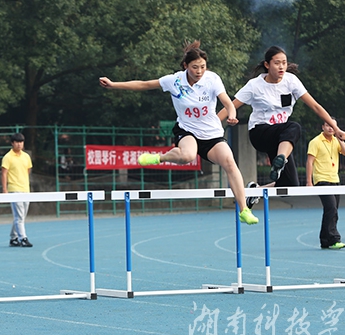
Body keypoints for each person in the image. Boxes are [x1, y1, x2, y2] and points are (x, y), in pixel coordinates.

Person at [99, 41, 259, 225]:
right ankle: (159, 158)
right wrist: (114, 85)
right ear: (185, 66)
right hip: (187, 130)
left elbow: (228, 102)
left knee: (230, 163)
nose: (199, 71)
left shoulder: (212, 79)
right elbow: (144, 84)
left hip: (211, 134)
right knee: (187, 156)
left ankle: (244, 210)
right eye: (195, 67)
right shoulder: (174, 81)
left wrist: (231, 114)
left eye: (203, 67)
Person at [217, 45, 345, 209]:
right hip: (260, 133)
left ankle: (256, 191)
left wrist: (336, 129)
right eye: (277, 63)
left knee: (290, 185)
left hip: (281, 140)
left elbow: (315, 106)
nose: (281, 67)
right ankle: (280, 160)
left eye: (284, 63)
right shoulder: (254, 85)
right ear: (267, 65)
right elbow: (230, 105)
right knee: (294, 127)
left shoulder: (291, 81)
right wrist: (214, 125)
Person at [306, 119, 345, 250]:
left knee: (331, 210)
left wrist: (340, 139)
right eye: (328, 125)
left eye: (333, 126)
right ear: (323, 127)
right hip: (322, 180)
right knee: (331, 208)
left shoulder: (336, 141)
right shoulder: (315, 142)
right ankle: (334, 239)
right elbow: (309, 162)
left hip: (334, 179)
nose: (330, 128)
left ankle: (324, 240)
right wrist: (309, 182)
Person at [1, 133, 35, 247]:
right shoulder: (8, 157)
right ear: (12, 143)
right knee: (19, 215)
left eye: (21, 142)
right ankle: (23, 238)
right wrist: (5, 189)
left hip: (25, 189)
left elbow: (28, 170)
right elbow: (4, 174)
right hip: (14, 189)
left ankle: (13, 237)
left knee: (21, 215)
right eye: (17, 142)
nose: (19, 144)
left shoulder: (26, 156)